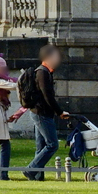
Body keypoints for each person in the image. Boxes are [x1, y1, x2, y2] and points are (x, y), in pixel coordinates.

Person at [24, 44, 70, 181]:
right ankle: (31, 169)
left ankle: (37, 177)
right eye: (56, 56)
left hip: (42, 113)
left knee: (41, 146)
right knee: (52, 144)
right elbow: (47, 96)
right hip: (41, 113)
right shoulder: (42, 72)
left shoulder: (46, 72)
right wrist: (59, 111)